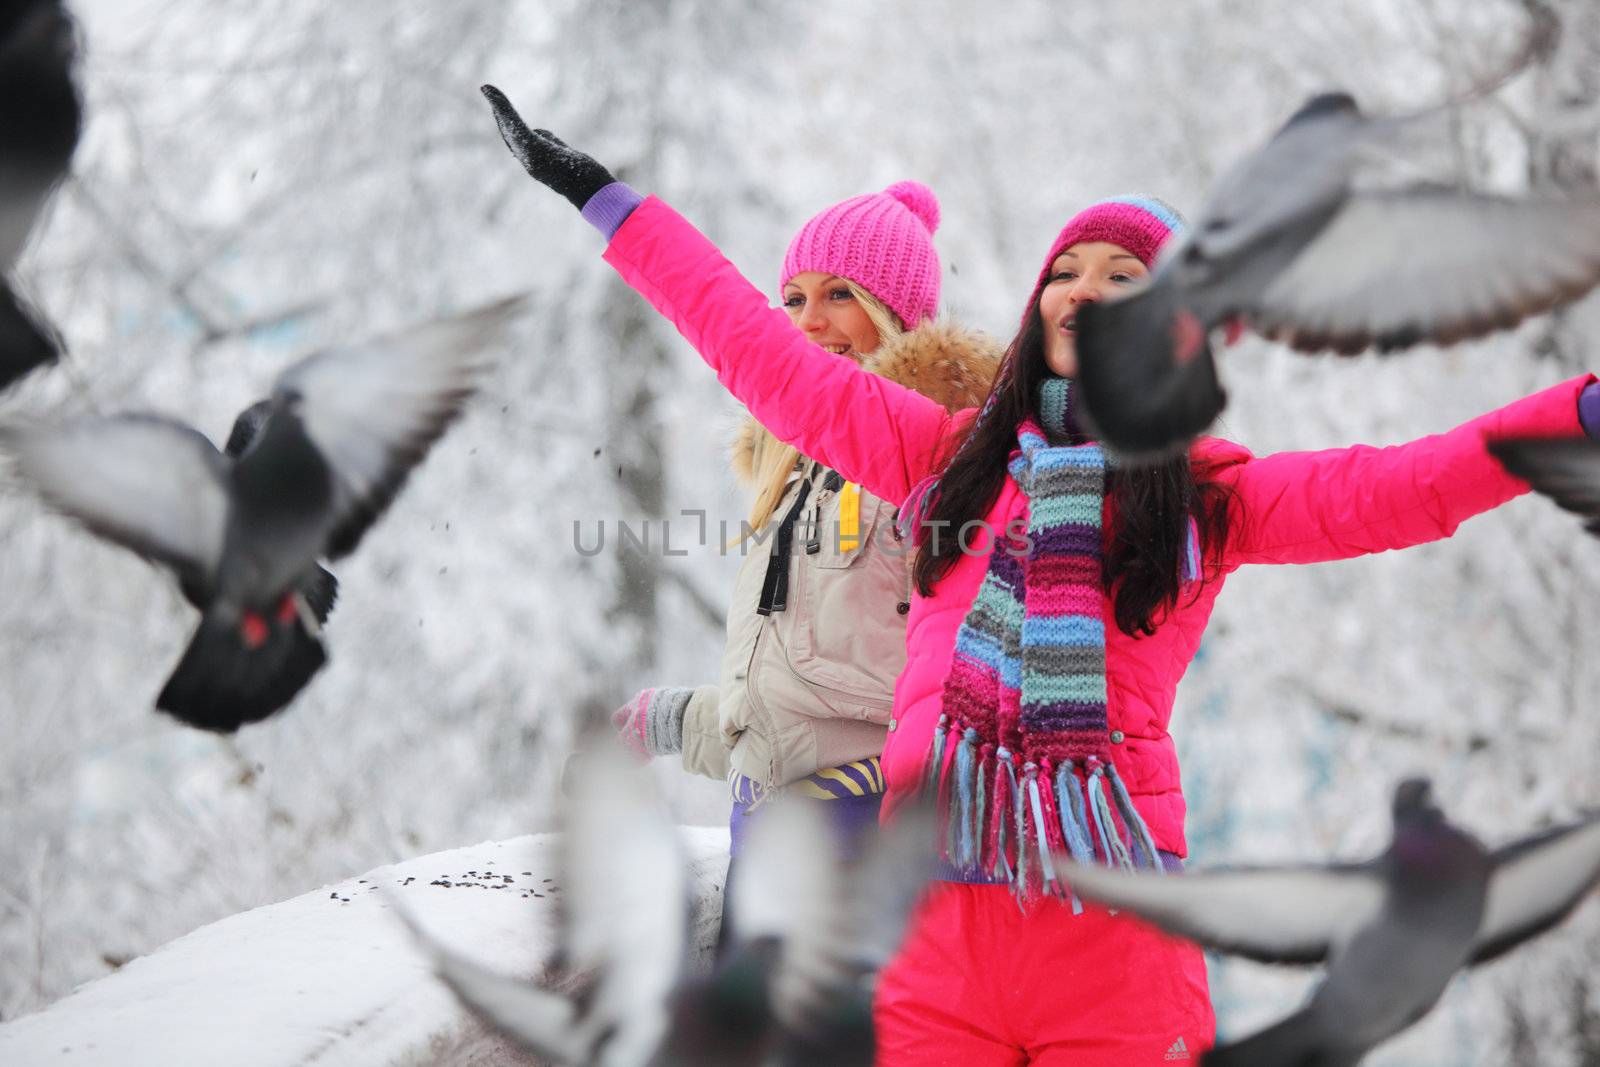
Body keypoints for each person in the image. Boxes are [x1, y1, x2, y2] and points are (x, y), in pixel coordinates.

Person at [482, 90, 1599, 1064]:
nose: (1082, 286)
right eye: (1064, 272)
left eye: (1125, 276)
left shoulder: (1208, 499)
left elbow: (1403, 483)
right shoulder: (943, 459)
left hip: (1108, 938)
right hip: (932, 940)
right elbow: (762, 354)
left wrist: (1572, 412)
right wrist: (609, 204)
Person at [570, 158, 1000, 930]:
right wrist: (668, 720)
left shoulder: (936, 469)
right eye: (795, 298)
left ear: (898, 312)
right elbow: (816, 692)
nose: (808, 319)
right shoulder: (797, 481)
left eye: (841, 295)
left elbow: (932, 685)